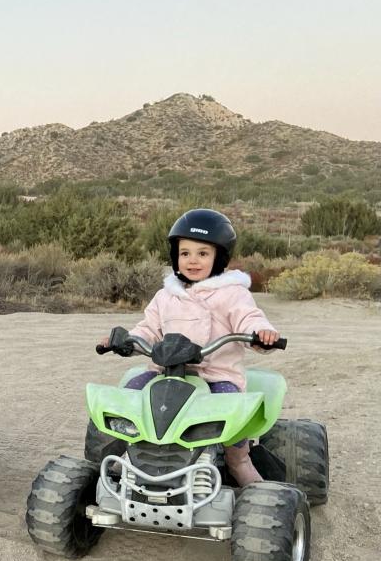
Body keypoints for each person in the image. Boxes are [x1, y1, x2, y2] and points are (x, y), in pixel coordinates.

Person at [99, 208, 280, 487]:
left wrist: (261, 333)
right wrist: (125, 341)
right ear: (175, 257)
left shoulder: (232, 293)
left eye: (202, 254)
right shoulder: (166, 295)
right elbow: (148, 328)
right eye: (185, 253)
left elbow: (248, 318)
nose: (192, 260)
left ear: (219, 257)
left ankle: (239, 462)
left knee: (230, 408)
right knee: (130, 393)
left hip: (215, 375)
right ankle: (129, 455)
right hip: (165, 373)